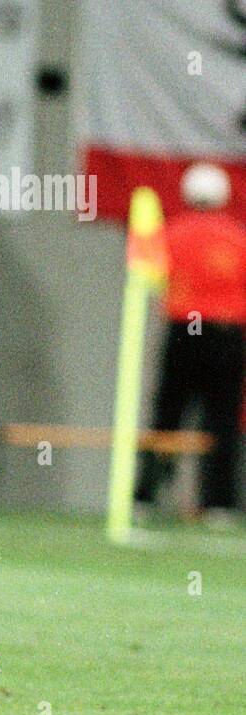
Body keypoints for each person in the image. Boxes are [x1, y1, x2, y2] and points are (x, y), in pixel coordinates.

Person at [135, 162, 246, 522]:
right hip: (228, 337)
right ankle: (219, 504)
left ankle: (147, 497)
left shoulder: (170, 234)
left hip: (185, 332)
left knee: (167, 414)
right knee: (223, 421)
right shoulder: (238, 238)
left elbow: (149, 280)